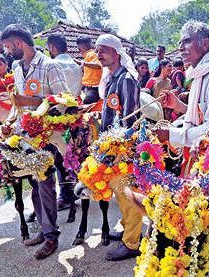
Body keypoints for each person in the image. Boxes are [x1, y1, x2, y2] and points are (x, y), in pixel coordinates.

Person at [0, 24, 69, 259]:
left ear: (19, 43)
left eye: (9, 46)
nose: (7, 51)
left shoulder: (50, 65)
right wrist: (10, 120)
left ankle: (51, 237)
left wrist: (31, 101)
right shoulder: (17, 68)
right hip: (25, 137)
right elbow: (16, 104)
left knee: (45, 184)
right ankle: (45, 228)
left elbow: (65, 100)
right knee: (35, 186)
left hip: (48, 135)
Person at [154, 20, 209, 175]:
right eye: (180, 42)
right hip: (197, 156)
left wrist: (171, 134)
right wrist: (179, 107)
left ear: (204, 43)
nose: (180, 47)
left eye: (187, 41)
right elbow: (202, 116)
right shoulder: (200, 73)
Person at [95, 34, 142, 261]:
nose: (99, 54)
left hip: (124, 148)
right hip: (111, 146)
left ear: (117, 53)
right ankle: (127, 230)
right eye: (97, 50)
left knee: (127, 193)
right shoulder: (112, 77)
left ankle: (133, 243)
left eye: (103, 50)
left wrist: (119, 149)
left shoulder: (126, 79)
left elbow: (132, 119)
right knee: (119, 194)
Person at [76, 35, 102, 104]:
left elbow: (99, 65)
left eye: (79, 48)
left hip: (94, 88)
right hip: (87, 87)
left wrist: (82, 63)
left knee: (86, 104)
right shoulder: (87, 56)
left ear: (80, 48)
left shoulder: (91, 54)